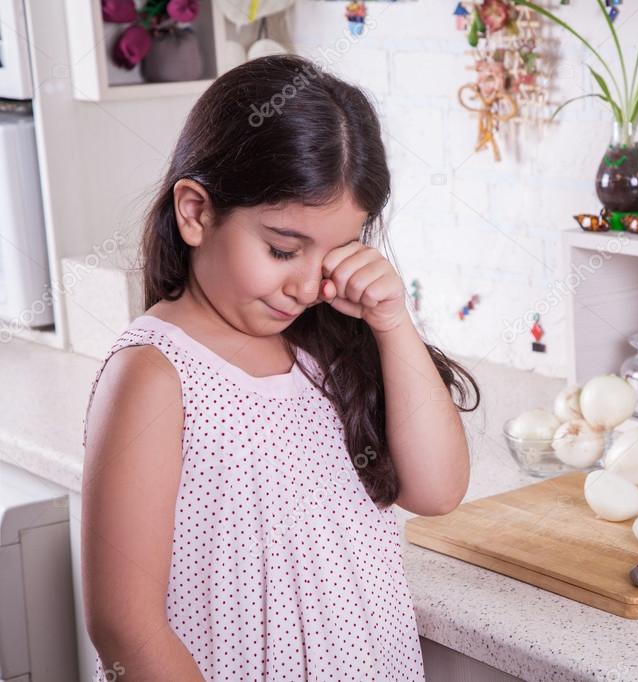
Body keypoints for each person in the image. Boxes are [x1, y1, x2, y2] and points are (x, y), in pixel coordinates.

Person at [80, 54, 480, 681]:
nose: (305, 284)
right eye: (283, 249)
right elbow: (123, 624)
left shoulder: (329, 350)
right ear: (196, 212)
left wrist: (393, 322)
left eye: (336, 251)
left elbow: (437, 491)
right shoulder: (155, 374)